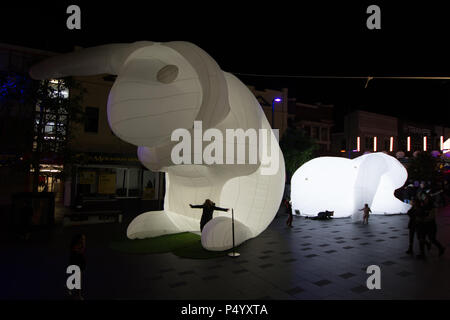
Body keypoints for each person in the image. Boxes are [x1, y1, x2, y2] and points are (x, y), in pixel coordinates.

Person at [69, 234, 86, 300]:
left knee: (75, 279)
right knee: (78, 280)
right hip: (76, 264)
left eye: (84, 239)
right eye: (82, 239)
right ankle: (78, 296)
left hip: (80, 263)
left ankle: (69, 288)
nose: (84, 240)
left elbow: (81, 254)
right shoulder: (75, 246)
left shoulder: (82, 245)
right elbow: (76, 256)